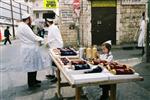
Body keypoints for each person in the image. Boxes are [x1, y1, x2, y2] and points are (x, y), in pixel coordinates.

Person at [17, 13, 45, 88]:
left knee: (33, 65)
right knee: (31, 66)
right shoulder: (24, 27)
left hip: (28, 48)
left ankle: (34, 80)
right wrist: (42, 39)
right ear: (28, 19)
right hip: (29, 49)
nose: (31, 20)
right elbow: (33, 37)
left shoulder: (21, 26)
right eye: (30, 18)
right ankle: (31, 83)